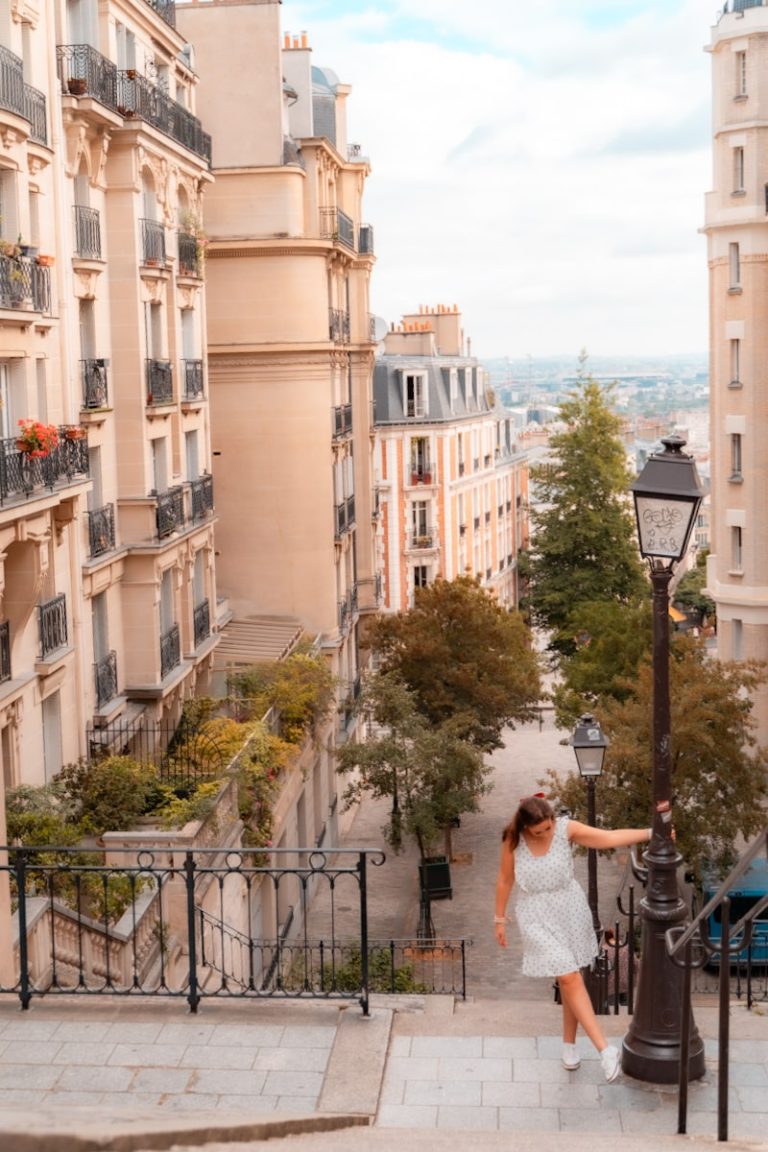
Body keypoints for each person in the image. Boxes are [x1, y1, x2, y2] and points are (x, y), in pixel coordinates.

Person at [494, 794, 652, 1082]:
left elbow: (608, 838)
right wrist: (499, 919)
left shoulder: (566, 829)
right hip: (536, 915)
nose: (547, 833)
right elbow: (505, 879)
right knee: (569, 977)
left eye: (550, 827)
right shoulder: (513, 840)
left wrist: (652, 833)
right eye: (540, 831)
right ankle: (605, 1051)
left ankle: (569, 1046)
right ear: (527, 828)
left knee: (570, 978)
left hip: (569, 909)